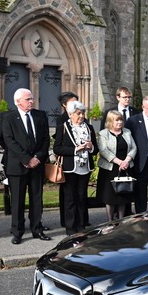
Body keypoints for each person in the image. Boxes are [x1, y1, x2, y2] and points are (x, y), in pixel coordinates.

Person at [2, 88, 51, 244]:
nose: (32, 101)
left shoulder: (40, 115)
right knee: (17, 201)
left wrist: (37, 157)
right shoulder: (8, 117)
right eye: (28, 99)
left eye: (32, 98)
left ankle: (37, 228)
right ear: (18, 102)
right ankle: (18, 232)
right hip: (17, 166)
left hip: (37, 164)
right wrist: (26, 159)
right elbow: (9, 141)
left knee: (37, 199)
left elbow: (45, 139)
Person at [54, 101, 98, 235]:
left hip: (85, 167)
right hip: (70, 168)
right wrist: (75, 149)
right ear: (71, 114)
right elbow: (57, 148)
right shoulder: (63, 127)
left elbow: (95, 150)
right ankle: (70, 227)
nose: (81, 116)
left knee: (81, 197)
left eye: (83, 113)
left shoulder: (89, 127)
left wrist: (91, 147)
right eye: (78, 113)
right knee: (70, 198)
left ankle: (81, 225)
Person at [97, 111, 137, 221]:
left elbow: (134, 148)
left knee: (122, 196)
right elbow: (103, 150)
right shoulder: (103, 134)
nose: (119, 122)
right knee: (110, 197)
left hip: (125, 167)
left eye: (121, 120)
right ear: (110, 121)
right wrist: (119, 162)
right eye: (116, 120)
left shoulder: (127, 132)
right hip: (110, 169)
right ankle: (110, 221)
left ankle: (121, 220)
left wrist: (127, 161)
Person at [55, 91, 79, 229]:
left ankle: (80, 219)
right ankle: (67, 220)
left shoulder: (81, 116)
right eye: (72, 102)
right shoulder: (62, 120)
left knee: (79, 193)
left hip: (81, 163)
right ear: (64, 105)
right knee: (67, 193)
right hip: (68, 160)